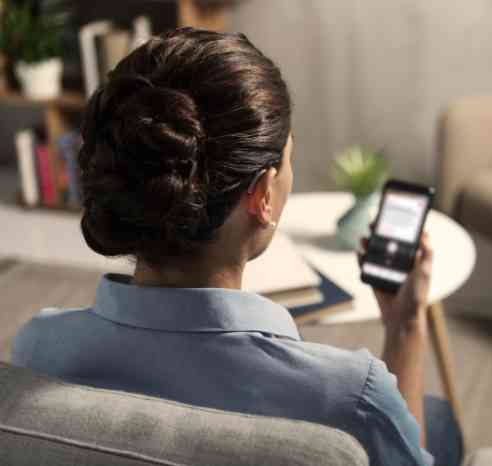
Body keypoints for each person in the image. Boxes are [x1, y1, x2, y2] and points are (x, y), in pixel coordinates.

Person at [11, 27, 463, 466]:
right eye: (288, 159)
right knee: (440, 423)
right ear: (263, 194)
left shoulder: (39, 348)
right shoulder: (354, 398)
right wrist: (405, 327)